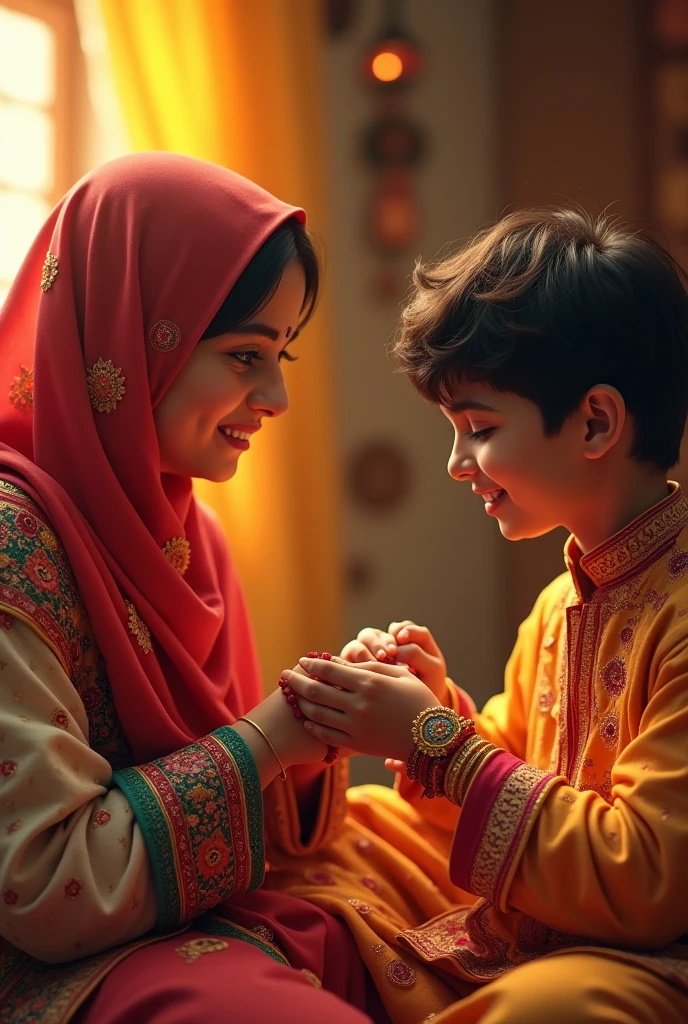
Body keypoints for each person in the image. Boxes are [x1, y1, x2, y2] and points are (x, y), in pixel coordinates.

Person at [274, 209, 688, 1023]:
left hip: (644, 956)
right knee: (335, 842)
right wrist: (438, 711)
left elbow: (649, 883)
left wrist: (435, 742)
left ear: (596, 421)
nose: (459, 464)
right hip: (534, 917)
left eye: (480, 430)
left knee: (550, 1008)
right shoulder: (559, 604)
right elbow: (515, 762)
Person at [0, 152, 383, 1024]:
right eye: (246, 355)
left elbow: (231, 804)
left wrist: (323, 729)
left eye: (282, 353)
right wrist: (267, 740)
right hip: (48, 965)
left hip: (184, 924)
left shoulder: (184, 534)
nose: (278, 396)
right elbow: (47, 886)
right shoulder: (10, 541)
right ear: (135, 342)